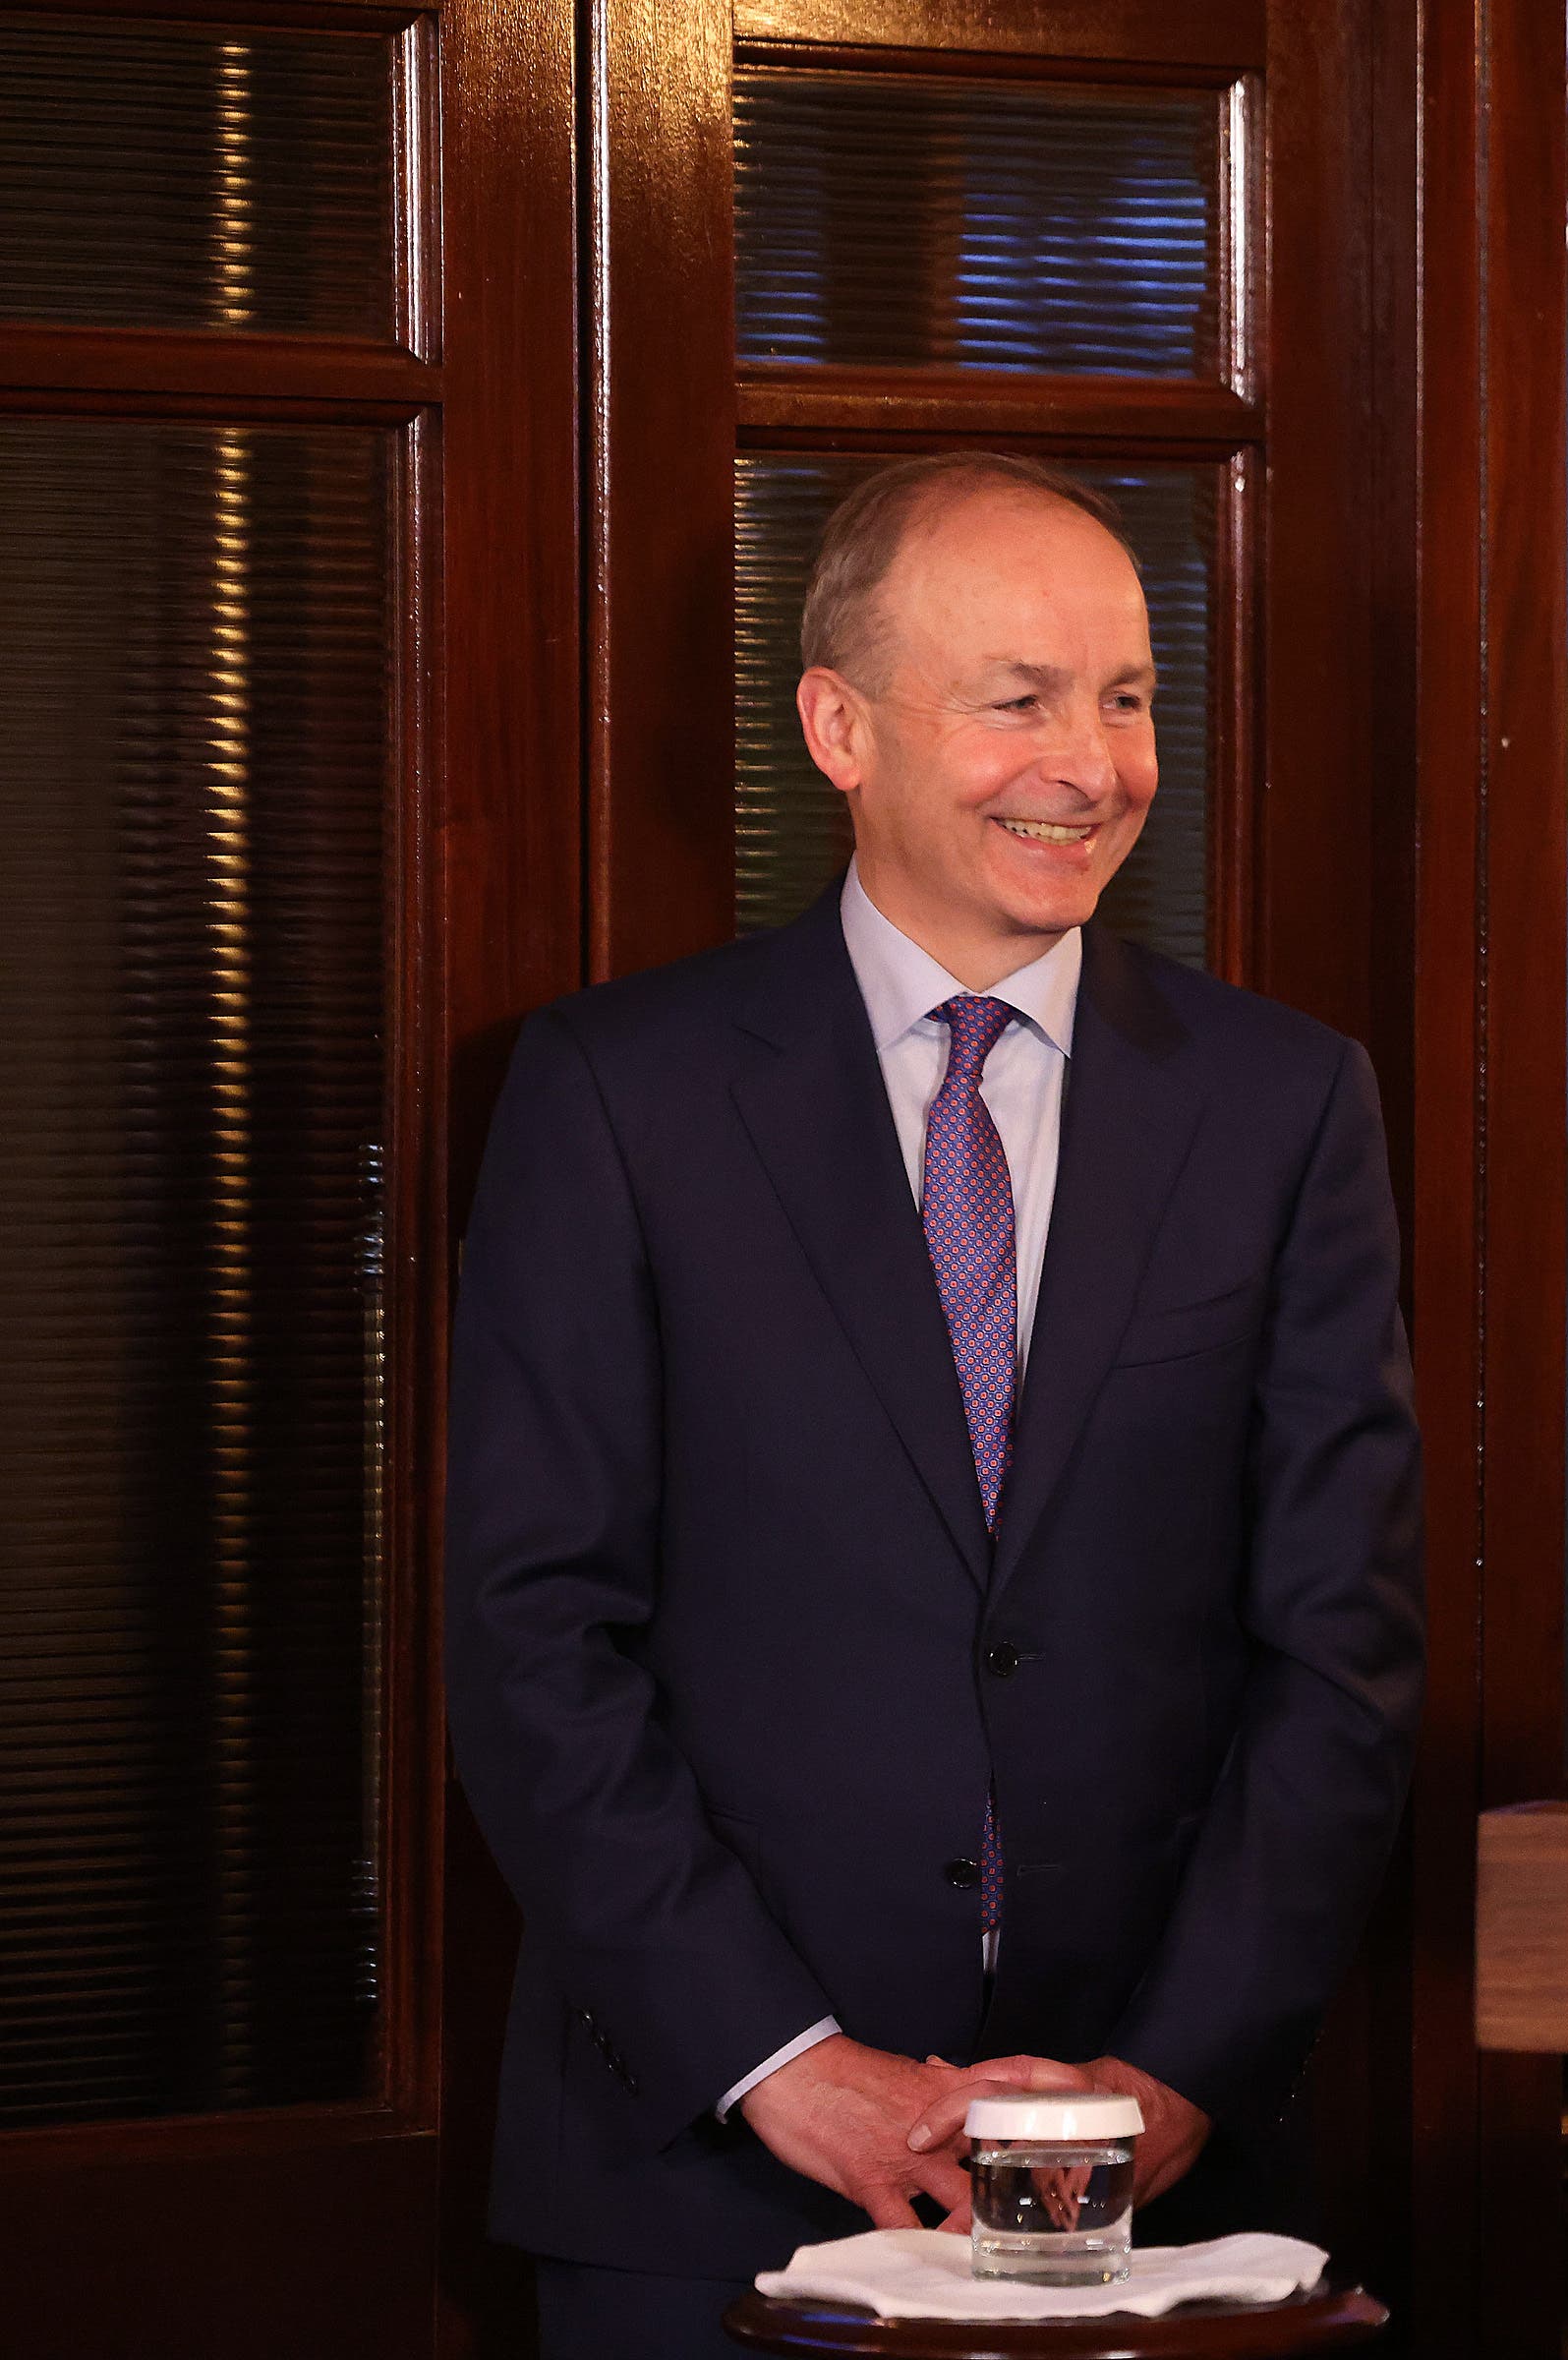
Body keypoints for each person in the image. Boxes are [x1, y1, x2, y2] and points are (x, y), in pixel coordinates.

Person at [448, 453, 1423, 2357]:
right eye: (1018, 700)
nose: (1094, 761)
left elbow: (1344, 1654)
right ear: (837, 726)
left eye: (1128, 696)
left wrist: (1174, 2076)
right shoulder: (616, 1100)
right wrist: (779, 2057)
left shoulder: (1285, 1107)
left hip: (1165, 2188)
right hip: (704, 2169)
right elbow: (531, 1634)